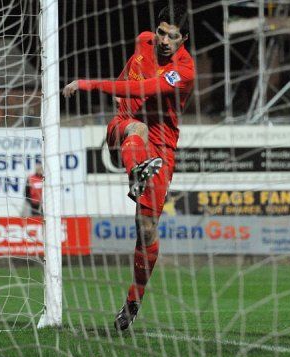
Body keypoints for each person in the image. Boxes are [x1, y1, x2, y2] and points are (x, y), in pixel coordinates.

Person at [63, 4, 195, 331]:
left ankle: (134, 300)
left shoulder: (184, 71)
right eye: (162, 32)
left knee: (146, 229)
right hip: (126, 126)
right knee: (135, 129)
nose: (164, 40)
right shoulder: (143, 42)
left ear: (184, 39)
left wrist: (89, 85)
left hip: (162, 150)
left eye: (173, 36)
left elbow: (142, 89)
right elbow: (130, 79)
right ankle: (137, 172)